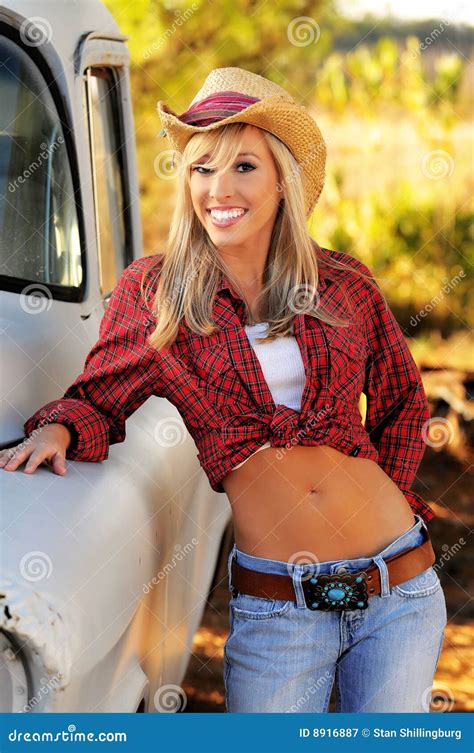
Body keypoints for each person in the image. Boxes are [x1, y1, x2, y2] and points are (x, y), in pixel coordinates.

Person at [1, 67, 447, 713]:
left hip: (399, 588)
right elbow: (96, 395)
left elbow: (403, 403)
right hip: (278, 609)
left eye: (243, 166)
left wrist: (394, 498)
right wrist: (58, 427)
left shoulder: (344, 282)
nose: (219, 188)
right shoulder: (157, 293)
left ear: (280, 180)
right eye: (202, 168)